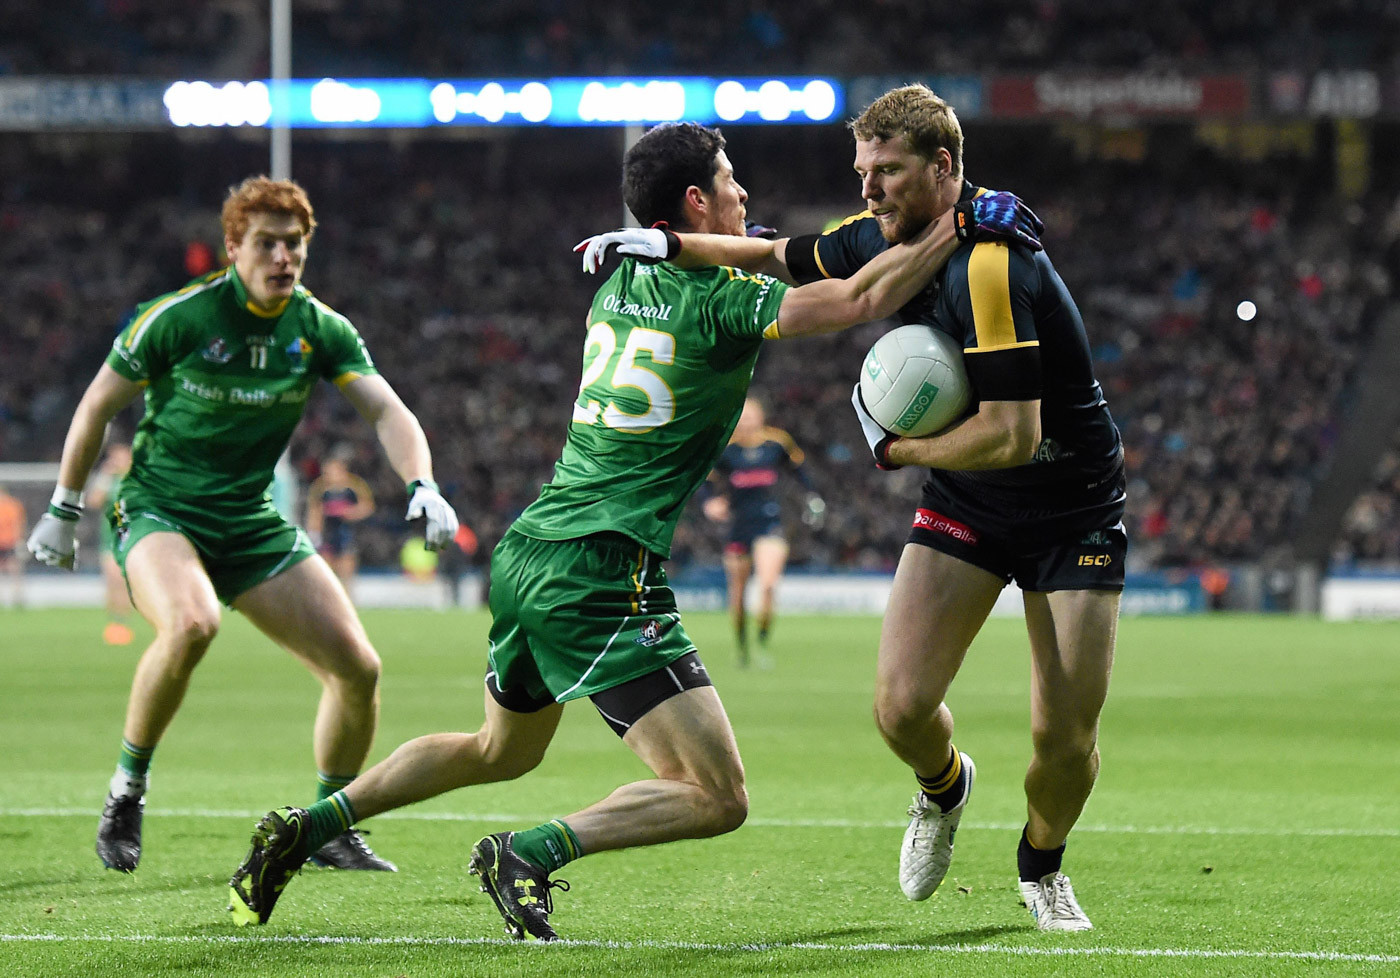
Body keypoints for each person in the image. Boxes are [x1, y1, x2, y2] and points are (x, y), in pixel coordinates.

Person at [224, 122, 1039, 938]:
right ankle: (529, 852)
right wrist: (960, 222)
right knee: (717, 796)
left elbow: (805, 251)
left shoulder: (618, 281)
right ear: (694, 200)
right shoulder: (716, 296)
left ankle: (308, 824)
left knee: (498, 751)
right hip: (602, 567)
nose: (744, 195)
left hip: (532, 548)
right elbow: (861, 296)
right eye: (729, 181)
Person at [588, 85, 1120, 932]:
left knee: (1063, 739)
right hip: (970, 500)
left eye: (889, 172)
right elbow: (776, 255)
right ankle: (944, 789)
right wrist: (665, 241)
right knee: (899, 707)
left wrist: (894, 448)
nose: (869, 191)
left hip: (1072, 505)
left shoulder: (990, 261)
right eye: (863, 172)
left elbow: (1012, 437)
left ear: (943, 167)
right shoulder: (882, 234)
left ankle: (1041, 865)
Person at [26, 176, 460, 875]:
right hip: (160, 508)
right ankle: (126, 792)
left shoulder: (319, 329)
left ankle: (329, 825)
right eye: (267, 244)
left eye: (295, 245)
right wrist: (63, 506)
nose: (283, 258)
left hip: (250, 521)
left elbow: (387, 412)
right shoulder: (179, 318)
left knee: (358, 668)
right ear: (234, 248)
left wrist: (423, 484)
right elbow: (96, 404)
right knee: (194, 622)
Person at [702, 396, 823, 667]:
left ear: (761, 417)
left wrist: (812, 497)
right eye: (741, 416)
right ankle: (743, 648)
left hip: (770, 522)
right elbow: (706, 482)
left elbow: (800, 471)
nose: (746, 421)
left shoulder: (777, 443)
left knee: (767, 584)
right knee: (738, 590)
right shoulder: (727, 449)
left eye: (750, 415)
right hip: (738, 526)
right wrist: (710, 503)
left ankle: (763, 639)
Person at [306, 445, 376, 595]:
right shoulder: (320, 487)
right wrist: (314, 533)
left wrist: (351, 513)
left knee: (346, 569)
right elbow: (315, 511)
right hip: (327, 533)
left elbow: (367, 506)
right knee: (325, 570)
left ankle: (347, 599)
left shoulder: (354, 485)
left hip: (347, 532)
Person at [86, 442, 136, 644]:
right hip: (109, 539)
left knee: (125, 582)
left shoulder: (136, 479)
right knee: (112, 580)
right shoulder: (108, 481)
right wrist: (105, 475)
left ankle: (123, 622)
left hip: (132, 538)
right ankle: (115, 623)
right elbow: (93, 502)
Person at [0, 484, 26, 608]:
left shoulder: (12, 505)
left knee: (13, 568)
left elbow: (18, 524)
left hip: (9, 541)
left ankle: (17, 595)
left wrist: (19, 540)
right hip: (4, 541)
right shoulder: (12, 505)